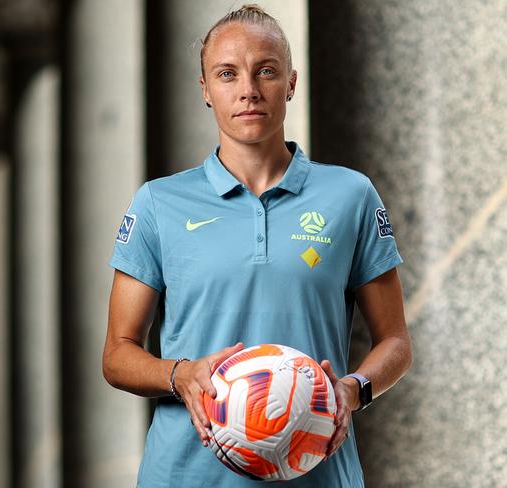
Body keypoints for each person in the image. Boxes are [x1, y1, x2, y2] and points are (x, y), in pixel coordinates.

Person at [103, 4, 412, 487]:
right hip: (187, 475)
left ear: (290, 82)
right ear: (205, 90)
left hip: (318, 472)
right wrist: (179, 374)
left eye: (265, 71)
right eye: (227, 74)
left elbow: (395, 342)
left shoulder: (350, 195)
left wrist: (352, 390)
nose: (248, 90)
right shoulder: (158, 203)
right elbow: (118, 354)